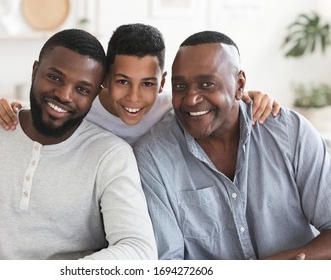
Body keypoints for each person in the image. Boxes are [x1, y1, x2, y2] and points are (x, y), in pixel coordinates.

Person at [0, 29, 157, 260]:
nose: (64, 95)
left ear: (95, 94)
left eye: (82, 89)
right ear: (35, 71)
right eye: (55, 77)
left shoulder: (111, 155)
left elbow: (139, 250)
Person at [133, 30, 331, 260]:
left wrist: (281, 266)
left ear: (240, 85)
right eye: (180, 87)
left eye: (207, 84)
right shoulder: (153, 156)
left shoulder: (290, 132)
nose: (191, 99)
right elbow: (169, 264)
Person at [0, 24, 280, 146]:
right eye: (123, 82)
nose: (135, 98)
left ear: (163, 83)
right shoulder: (82, 109)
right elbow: (47, 113)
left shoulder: (174, 109)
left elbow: (218, 102)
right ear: (104, 80)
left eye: (148, 83)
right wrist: (10, 108)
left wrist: (249, 98)